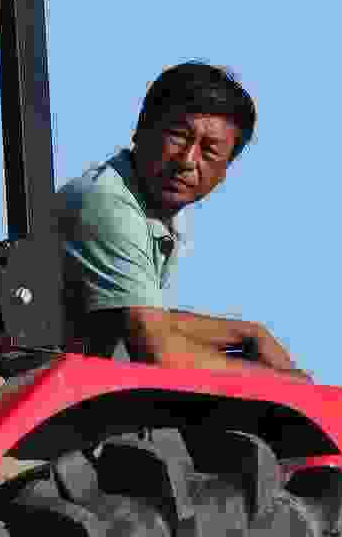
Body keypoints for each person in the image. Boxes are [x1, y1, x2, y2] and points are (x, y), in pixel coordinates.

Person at [54, 62, 307, 375]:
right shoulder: (109, 203)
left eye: (209, 151)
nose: (187, 161)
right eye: (177, 136)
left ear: (224, 170)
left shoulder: (154, 209)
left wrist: (250, 333)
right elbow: (157, 350)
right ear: (141, 130)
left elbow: (143, 316)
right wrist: (285, 382)